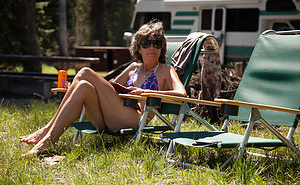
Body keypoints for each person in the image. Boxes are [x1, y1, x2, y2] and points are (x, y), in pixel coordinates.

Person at [20, 21, 187, 155]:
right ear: (139, 47)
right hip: (107, 119)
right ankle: (50, 136)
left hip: (135, 120)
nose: (151, 47)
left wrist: (147, 92)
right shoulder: (132, 69)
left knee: (85, 72)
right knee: (84, 85)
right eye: (146, 43)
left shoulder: (166, 70)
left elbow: (182, 94)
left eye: (156, 43)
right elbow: (109, 87)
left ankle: (47, 135)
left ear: (162, 47)